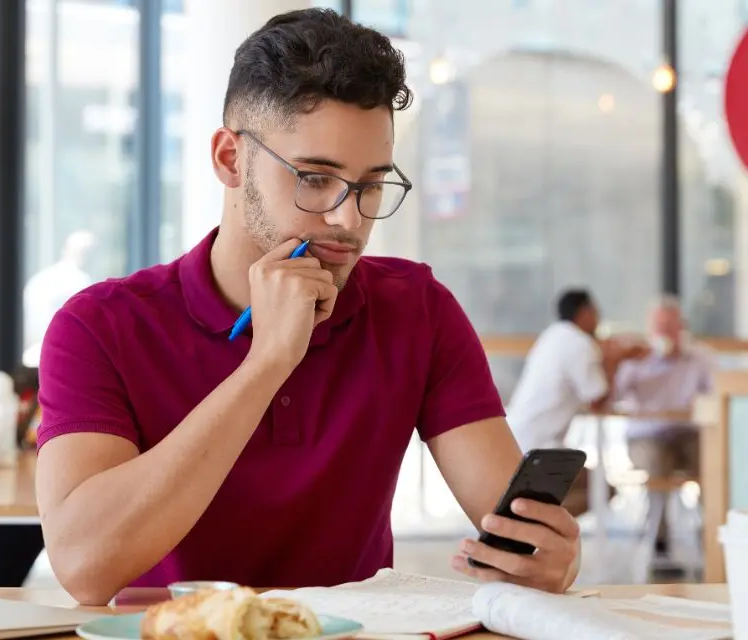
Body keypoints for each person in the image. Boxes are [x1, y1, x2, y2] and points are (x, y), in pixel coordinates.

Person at [35, 9, 580, 606]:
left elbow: (511, 528)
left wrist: (545, 557)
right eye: (315, 179)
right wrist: (267, 361)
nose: (348, 220)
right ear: (230, 160)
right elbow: (85, 567)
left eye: (371, 185)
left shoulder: (418, 310)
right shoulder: (98, 326)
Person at [506, 289, 646, 517]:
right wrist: (615, 360)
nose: (599, 319)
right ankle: (534, 523)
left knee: (593, 487)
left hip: (518, 439)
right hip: (540, 450)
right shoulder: (580, 344)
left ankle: (535, 522)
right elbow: (598, 400)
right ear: (585, 313)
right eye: (596, 313)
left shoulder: (553, 336)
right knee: (603, 490)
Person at [614, 296, 716, 552]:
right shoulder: (635, 359)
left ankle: (712, 532)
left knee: (713, 459)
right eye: (659, 326)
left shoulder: (699, 357)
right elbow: (613, 397)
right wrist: (623, 360)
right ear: (650, 329)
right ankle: (658, 536)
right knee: (657, 460)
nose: (665, 332)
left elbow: (718, 394)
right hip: (645, 437)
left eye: (671, 326)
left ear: (682, 328)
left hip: (686, 434)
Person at [22, 230, 96, 366]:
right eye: (87, 251)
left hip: (38, 352)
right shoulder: (79, 281)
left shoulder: (42, 278)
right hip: (60, 354)